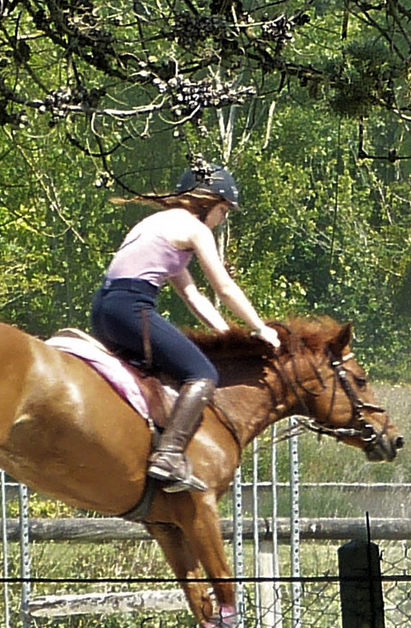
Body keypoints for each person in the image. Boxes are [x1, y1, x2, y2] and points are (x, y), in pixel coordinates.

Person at [91, 160, 282, 492]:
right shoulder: (196, 230)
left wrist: (225, 332)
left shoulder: (157, 224)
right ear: (209, 201)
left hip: (104, 309)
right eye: (224, 211)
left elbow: (193, 295)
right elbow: (224, 287)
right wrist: (259, 328)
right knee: (203, 374)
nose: (223, 220)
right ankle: (169, 456)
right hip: (132, 307)